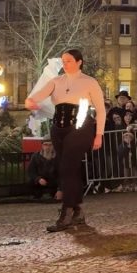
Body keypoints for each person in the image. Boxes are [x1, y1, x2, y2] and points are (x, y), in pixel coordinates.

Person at [25, 49, 106, 232]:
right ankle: (78, 211)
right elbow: (36, 96)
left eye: (69, 60)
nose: (65, 64)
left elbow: (101, 110)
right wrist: (30, 101)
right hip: (58, 129)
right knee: (68, 168)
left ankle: (66, 212)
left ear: (79, 62)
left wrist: (99, 134)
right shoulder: (56, 82)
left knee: (68, 166)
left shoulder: (89, 82)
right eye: (63, 61)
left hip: (81, 128)